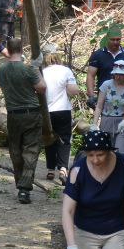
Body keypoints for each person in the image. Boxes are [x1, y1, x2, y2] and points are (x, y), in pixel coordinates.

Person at [0, 37, 47, 204]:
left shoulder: (1, 71)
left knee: (15, 151)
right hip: (31, 113)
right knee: (31, 150)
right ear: (21, 50)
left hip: (12, 115)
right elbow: (42, 88)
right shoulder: (28, 69)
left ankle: (21, 185)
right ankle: (24, 189)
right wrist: (36, 68)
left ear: (8, 51)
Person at [41, 50, 80, 182]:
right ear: (58, 58)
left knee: (49, 139)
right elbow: (74, 90)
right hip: (63, 110)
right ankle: (63, 168)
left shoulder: (42, 72)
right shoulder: (66, 71)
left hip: (46, 111)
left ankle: (51, 169)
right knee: (64, 139)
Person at [92, 61, 124, 158]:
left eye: (121, 74)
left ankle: (120, 171)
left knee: (120, 152)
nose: (118, 76)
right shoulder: (106, 85)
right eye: (116, 74)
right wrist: (94, 123)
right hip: (107, 120)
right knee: (107, 151)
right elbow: (99, 105)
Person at [85, 32, 124, 110]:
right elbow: (90, 75)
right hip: (105, 96)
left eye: (118, 40)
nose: (115, 42)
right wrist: (91, 96)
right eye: (112, 40)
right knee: (107, 118)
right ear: (107, 39)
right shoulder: (98, 55)